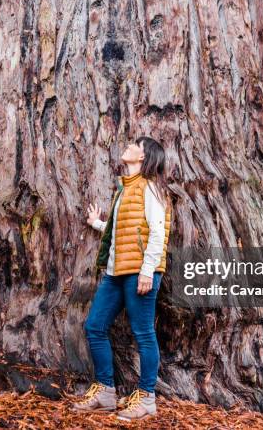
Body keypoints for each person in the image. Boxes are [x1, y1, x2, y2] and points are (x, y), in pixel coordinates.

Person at [71, 136, 172, 421]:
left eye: (135, 145)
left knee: (143, 334)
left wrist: (147, 270)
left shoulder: (150, 188)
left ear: (143, 157)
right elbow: (122, 232)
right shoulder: (124, 190)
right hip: (116, 272)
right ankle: (105, 392)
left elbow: (157, 232)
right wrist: (97, 224)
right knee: (94, 326)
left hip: (140, 272)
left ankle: (147, 399)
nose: (128, 146)